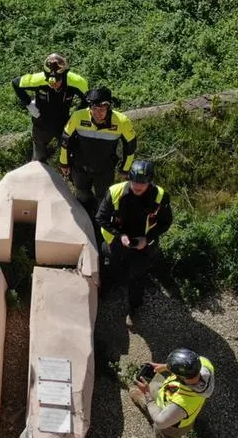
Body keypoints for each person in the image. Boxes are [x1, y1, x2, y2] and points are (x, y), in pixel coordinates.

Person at [95, 160, 172, 327]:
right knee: (112, 264)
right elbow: (100, 218)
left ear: (150, 181)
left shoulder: (160, 196)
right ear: (129, 178)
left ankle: (133, 309)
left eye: (142, 183)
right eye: (135, 181)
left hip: (143, 243)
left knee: (138, 276)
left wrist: (147, 239)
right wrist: (120, 235)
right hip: (117, 241)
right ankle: (111, 287)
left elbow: (165, 222)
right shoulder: (115, 191)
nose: (138, 186)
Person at [129, 348, 215, 438]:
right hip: (169, 396)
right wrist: (165, 367)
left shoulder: (183, 402)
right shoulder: (203, 364)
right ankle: (149, 406)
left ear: (182, 376)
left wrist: (147, 395)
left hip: (172, 427)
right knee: (155, 394)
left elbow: (160, 422)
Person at [59, 87, 137, 215]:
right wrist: (64, 162)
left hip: (105, 170)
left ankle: (100, 221)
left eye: (101, 109)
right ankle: (86, 217)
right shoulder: (78, 116)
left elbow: (131, 146)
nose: (97, 113)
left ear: (108, 108)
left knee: (104, 199)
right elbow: (65, 140)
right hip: (80, 167)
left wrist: (125, 168)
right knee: (82, 195)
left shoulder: (122, 121)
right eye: (94, 109)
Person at [12, 53, 88, 162]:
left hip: (64, 122)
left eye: (58, 80)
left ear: (65, 75)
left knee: (72, 151)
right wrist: (28, 103)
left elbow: (87, 99)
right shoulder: (38, 79)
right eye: (49, 80)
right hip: (41, 121)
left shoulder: (76, 82)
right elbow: (16, 83)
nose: (53, 84)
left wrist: (76, 115)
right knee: (39, 154)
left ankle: (67, 167)